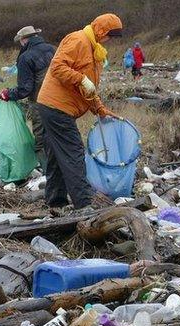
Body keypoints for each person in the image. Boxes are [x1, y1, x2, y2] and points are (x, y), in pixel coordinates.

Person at [36, 13, 123, 209]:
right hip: (56, 106)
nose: (109, 41)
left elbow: (88, 89)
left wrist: (100, 109)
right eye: (109, 35)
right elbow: (57, 66)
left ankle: (55, 201)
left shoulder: (95, 51)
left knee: (56, 155)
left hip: (55, 106)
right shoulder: (78, 40)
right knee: (73, 152)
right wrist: (80, 79)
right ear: (101, 30)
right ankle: (84, 204)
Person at [0, 26, 55, 172]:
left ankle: (48, 176)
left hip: (41, 103)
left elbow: (25, 89)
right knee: (59, 137)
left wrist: (8, 94)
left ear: (24, 40)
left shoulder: (26, 57)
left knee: (41, 141)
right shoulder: (53, 49)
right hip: (62, 102)